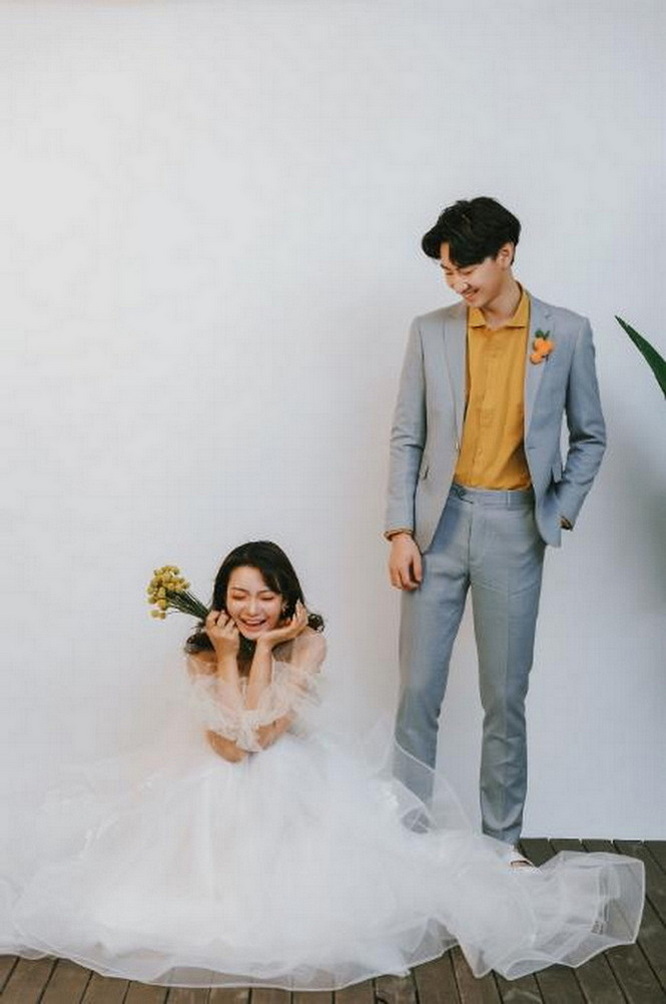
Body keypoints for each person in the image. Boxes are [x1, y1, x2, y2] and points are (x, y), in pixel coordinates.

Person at [1, 542, 643, 989]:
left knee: (286, 797)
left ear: (288, 600)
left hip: (291, 776)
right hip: (216, 776)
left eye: (266, 597)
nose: (252, 609)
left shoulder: (309, 643)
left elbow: (263, 736)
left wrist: (270, 648)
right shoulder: (202, 650)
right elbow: (229, 747)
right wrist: (227, 655)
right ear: (220, 601)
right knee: (213, 797)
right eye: (238, 596)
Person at [386, 197, 606, 863]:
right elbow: (406, 436)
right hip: (436, 527)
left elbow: (590, 437)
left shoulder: (566, 333)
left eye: (466, 270)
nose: (457, 284)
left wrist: (556, 511)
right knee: (417, 692)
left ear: (505, 254)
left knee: (505, 697)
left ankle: (502, 843)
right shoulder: (430, 332)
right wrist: (400, 530)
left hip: (515, 529)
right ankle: (405, 841)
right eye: (447, 273)